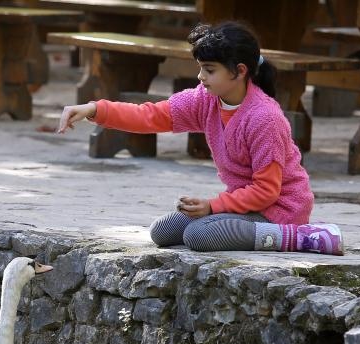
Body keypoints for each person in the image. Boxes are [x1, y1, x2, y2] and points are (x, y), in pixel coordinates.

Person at [57, 22, 343, 256]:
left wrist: (212, 206)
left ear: (240, 71)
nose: (200, 77)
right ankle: (226, 222)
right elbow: (152, 115)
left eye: (209, 70)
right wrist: (95, 109)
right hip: (245, 205)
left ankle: (302, 237)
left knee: (198, 235)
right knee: (162, 232)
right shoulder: (206, 100)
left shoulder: (264, 117)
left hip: (278, 211)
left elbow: (267, 192)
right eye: (200, 68)